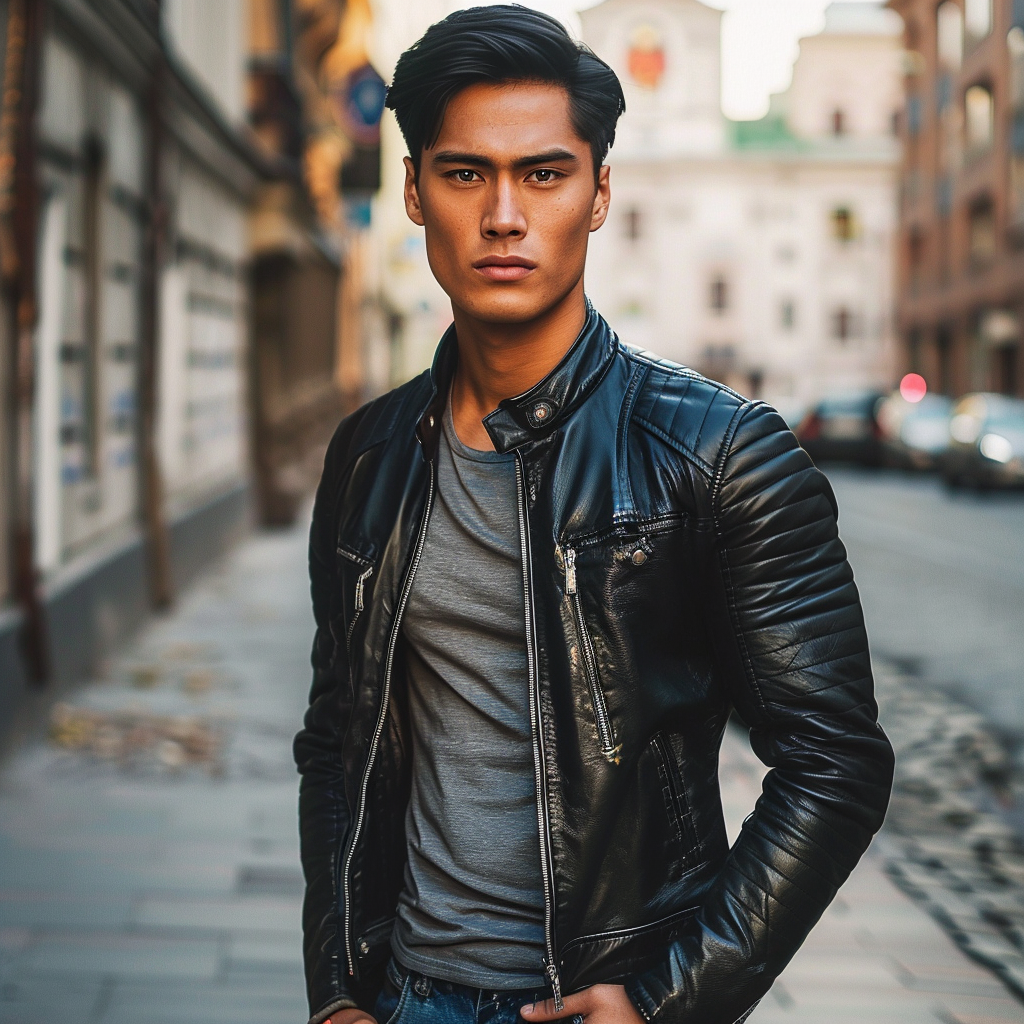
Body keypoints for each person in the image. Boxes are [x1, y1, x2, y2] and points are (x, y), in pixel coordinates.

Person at [293, 8, 895, 1024]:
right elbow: (336, 743)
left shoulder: (718, 453)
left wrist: (671, 1002)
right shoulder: (370, 454)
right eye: (463, 172)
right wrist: (337, 989)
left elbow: (834, 762)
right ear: (412, 191)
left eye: (542, 173)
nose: (502, 217)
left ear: (599, 192)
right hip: (405, 999)